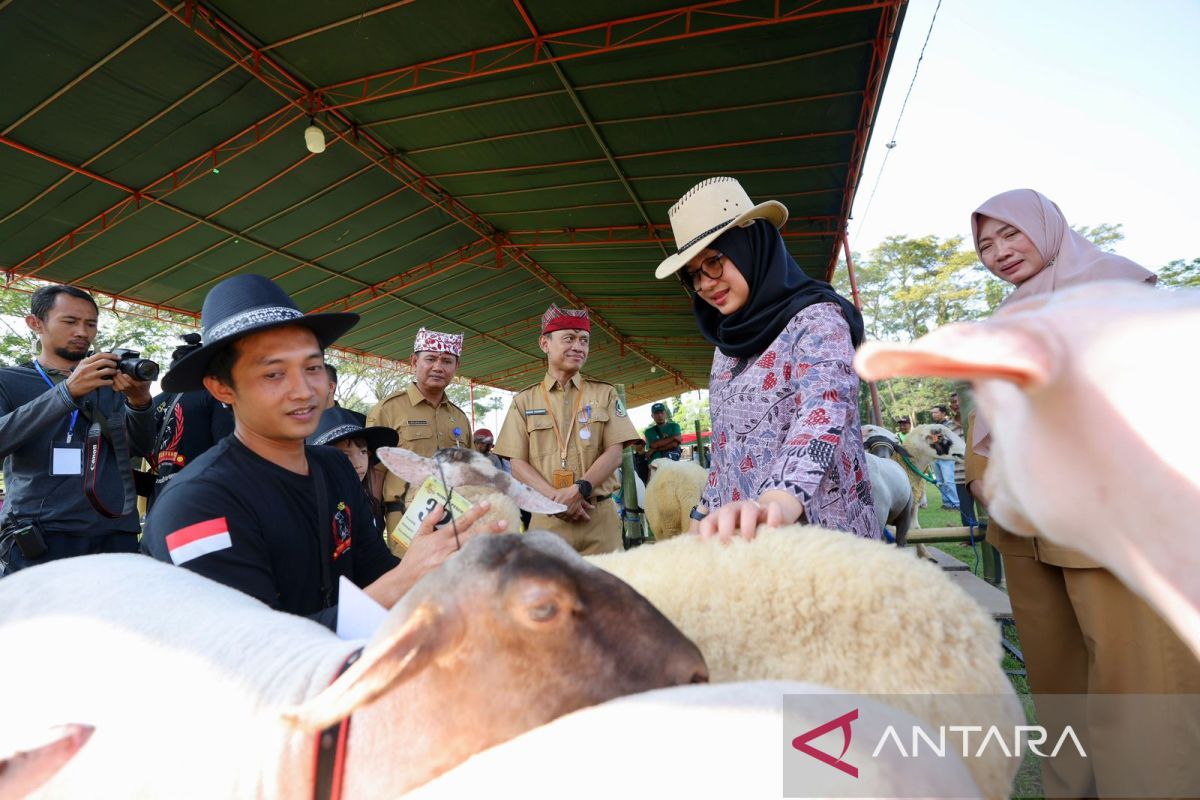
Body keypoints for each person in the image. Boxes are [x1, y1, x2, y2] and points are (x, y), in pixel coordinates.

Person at [966, 188, 1198, 798]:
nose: (999, 253)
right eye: (986, 245)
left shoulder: (1118, 289)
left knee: (1138, 680)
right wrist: (980, 474)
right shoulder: (1006, 319)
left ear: (1046, 227)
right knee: (1058, 684)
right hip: (1021, 527)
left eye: (1011, 234)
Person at [141, 275, 502, 629]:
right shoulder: (197, 505)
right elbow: (258, 651)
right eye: (273, 374)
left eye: (312, 367)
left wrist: (439, 570)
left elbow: (372, 570)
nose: (304, 390)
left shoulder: (334, 467)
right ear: (221, 387)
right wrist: (405, 579)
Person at [654, 177, 876, 541]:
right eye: (693, 274)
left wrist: (774, 502)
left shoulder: (818, 320)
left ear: (750, 247)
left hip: (819, 541)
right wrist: (702, 513)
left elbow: (824, 411)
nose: (706, 283)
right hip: (743, 546)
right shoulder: (725, 347)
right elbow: (726, 451)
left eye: (714, 262)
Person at [0, 285, 156, 574]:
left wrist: (140, 401)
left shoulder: (111, 383)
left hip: (115, 531)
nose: (82, 332)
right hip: (41, 533)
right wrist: (66, 393)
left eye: (91, 324)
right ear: (35, 323)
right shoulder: (8, 380)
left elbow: (140, 447)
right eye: (70, 322)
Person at [493, 305, 640, 555]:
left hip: (598, 518)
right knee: (547, 593)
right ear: (544, 343)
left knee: (603, 591)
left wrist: (578, 490)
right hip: (547, 518)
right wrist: (557, 500)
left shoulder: (604, 393)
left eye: (584, 340)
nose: (578, 347)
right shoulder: (524, 401)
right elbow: (517, 464)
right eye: (569, 338)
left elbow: (615, 454)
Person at [367, 328, 471, 549]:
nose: (438, 367)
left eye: (447, 361)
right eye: (430, 359)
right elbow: (374, 472)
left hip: (455, 519)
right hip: (406, 517)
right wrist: (372, 520)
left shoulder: (459, 417)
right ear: (414, 361)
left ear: (456, 367)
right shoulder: (389, 409)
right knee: (413, 581)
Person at [148, 333, 235, 509]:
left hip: (161, 498)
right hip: (204, 498)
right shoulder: (215, 395)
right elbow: (227, 449)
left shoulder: (152, 403)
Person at [308, 406, 398, 535]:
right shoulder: (312, 509)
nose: (358, 464)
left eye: (363, 452)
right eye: (344, 455)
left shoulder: (369, 503)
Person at [945, 392, 975, 528]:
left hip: (981, 472)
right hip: (960, 473)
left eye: (959, 401)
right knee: (965, 508)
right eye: (953, 402)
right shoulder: (948, 427)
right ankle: (970, 538)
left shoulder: (977, 420)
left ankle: (991, 537)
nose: (956, 404)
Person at [928, 404, 959, 510]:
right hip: (935, 456)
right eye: (932, 413)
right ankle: (947, 503)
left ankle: (956, 504)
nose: (933, 414)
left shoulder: (949, 424)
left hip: (947, 457)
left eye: (936, 412)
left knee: (949, 481)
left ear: (943, 413)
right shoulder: (932, 426)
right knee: (940, 482)